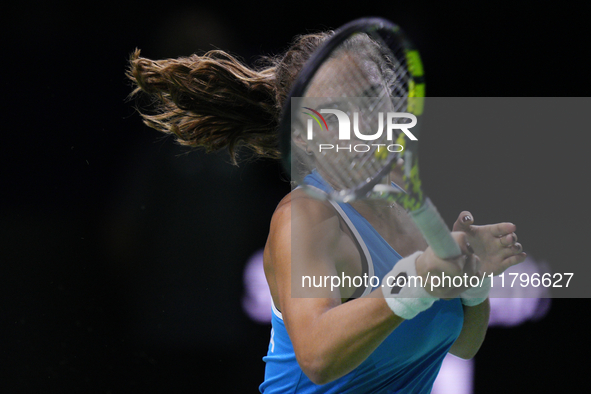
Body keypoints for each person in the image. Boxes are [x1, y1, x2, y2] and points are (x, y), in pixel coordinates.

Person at [127, 30, 526, 393]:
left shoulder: (412, 202)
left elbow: (463, 344)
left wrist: (473, 283)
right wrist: (418, 279)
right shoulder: (303, 218)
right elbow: (318, 358)